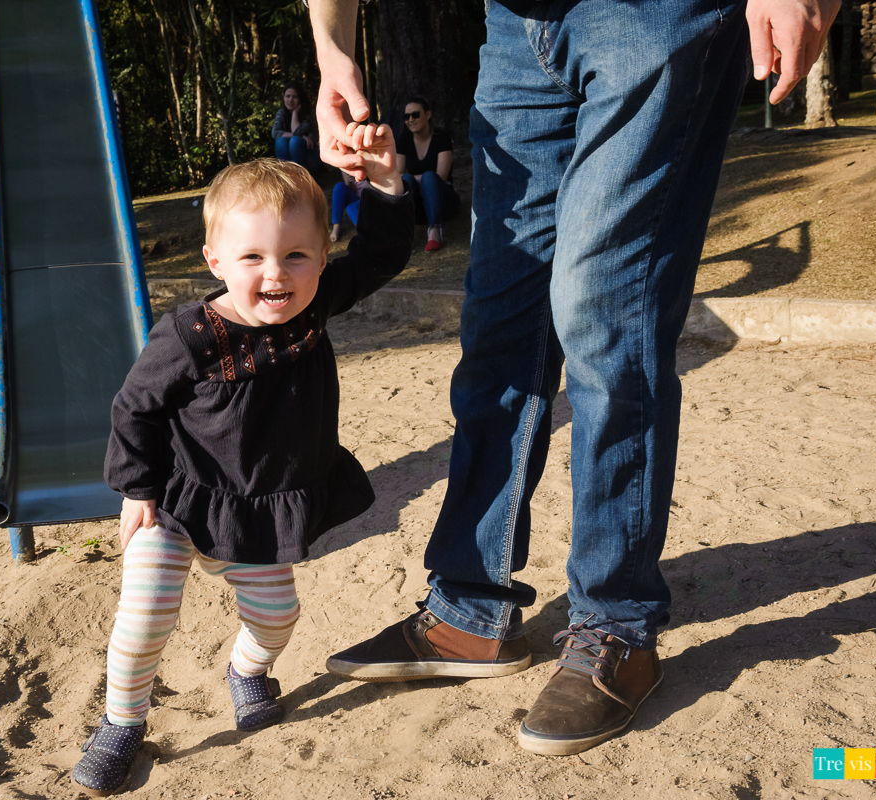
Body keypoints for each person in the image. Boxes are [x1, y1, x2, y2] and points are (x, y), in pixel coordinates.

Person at [308, 0, 838, 757]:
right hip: (515, 29)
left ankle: (616, 625)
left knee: (603, 308)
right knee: (499, 321)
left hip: (655, 15)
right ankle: (468, 607)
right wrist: (333, 48)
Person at [70, 144, 412, 796]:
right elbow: (134, 407)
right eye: (252, 257)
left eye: (295, 255)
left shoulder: (311, 308)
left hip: (256, 507)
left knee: (276, 617)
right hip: (177, 500)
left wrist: (387, 187)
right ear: (216, 261)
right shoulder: (189, 335)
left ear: (321, 253)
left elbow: (380, 256)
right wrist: (136, 489)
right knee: (144, 618)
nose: (275, 273)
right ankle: (122, 721)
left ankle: (248, 672)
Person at [395, 97, 459, 252]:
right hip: (418, 207)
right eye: (406, 117)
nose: (410, 120)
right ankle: (405, 234)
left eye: (415, 115)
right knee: (406, 179)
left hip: (443, 201)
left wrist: (421, 178)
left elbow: (441, 177)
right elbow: (399, 175)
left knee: (430, 177)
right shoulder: (404, 139)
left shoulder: (441, 136)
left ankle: (435, 231)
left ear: (428, 114)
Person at [272, 81, 316, 167]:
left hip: (311, 155)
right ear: (284, 97)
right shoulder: (281, 113)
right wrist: (303, 136)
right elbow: (275, 132)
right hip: (290, 157)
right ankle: (286, 175)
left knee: (295, 141)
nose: (290, 100)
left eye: (294, 97)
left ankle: (299, 176)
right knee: (280, 141)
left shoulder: (308, 114)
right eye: (287, 96)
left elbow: (296, 132)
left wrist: (295, 113)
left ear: (300, 99)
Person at [329, 170, 367, 242]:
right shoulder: (345, 167)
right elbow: (352, 189)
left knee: (351, 208)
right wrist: (350, 182)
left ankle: (367, 235)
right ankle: (336, 226)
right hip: (358, 199)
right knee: (339, 187)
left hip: (371, 198)